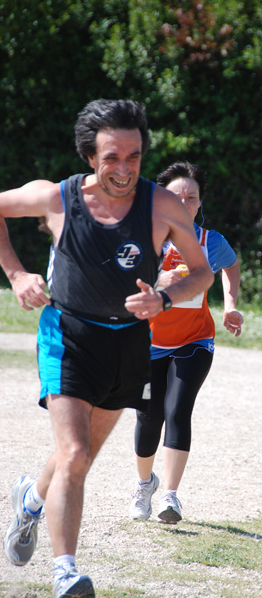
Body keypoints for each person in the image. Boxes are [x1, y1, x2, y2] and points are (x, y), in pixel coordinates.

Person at [0, 100, 213, 598]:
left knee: (80, 456)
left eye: (134, 157)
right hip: (68, 335)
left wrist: (163, 297)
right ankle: (66, 574)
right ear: (91, 155)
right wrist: (16, 274)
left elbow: (202, 272)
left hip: (128, 343)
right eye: (112, 157)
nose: (124, 169)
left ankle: (30, 500)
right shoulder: (57, 198)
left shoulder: (162, 205)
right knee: (74, 453)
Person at [129, 161, 243, 524]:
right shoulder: (145, 238)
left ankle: (171, 497)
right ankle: (145, 484)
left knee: (178, 408)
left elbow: (232, 266)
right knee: (149, 418)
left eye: (191, 197)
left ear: (199, 204)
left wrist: (231, 306)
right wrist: (160, 279)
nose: (184, 201)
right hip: (147, 343)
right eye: (177, 195)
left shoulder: (211, 241)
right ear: (161, 199)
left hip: (194, 339)